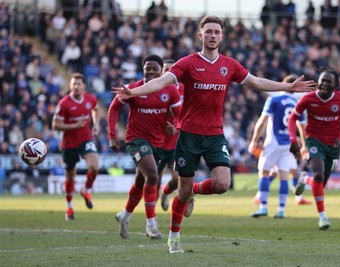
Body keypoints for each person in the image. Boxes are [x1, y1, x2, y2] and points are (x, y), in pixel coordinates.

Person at [112, 15, 315, 253]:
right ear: (200, 35)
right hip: (188, 135)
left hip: (215, 135)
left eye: (217, 32)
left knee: (222, 184)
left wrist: (287, 86)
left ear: (222, 36)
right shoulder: (187, 63)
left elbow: (256, 82)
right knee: (182, 190)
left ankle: (193, 192)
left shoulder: (229, 65)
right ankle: (174, 237)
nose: (212, 36)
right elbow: (161, 82)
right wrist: (134, 93)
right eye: (208, 32)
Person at [108, 55, 182, 240]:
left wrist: (176, 128)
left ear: (161, 71)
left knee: (141, 183)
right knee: (153, 176)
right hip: (136, 140)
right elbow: (113, 108)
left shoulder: (170, 91)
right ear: (143, 70)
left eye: (154, 68)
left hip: (157, 143)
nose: (150, 71)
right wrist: (112, 135)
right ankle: (151, 224)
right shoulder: (133, 89)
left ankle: (124, 216)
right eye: (147, 68)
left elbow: (180, 116)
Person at [288, 69, 340, 230]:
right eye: (322, 80)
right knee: (318, 174)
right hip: (314, 142)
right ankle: (322, 216)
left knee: (320, 183)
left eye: (328, 81)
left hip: (333, 146)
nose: (324, 83)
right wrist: (293, 139)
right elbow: (292, 118)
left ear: (335, 85)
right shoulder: (308, 99)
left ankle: (305, 179)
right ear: (318, 82)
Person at [249, 74, 311, 220]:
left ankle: (263, 206)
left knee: (264, 172)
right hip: (289, 144)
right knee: (284, 175)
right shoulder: (297, 104)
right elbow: (302, 128)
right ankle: (281, 209)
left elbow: (263, 121)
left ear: (284, 84)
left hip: (273, 141)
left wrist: (254, 140)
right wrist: (304, 146)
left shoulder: (273, 100)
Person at [52, 72, 100, 221]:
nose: (76, 86)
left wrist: (96, 125)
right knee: (70, 177)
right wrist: (74, 125)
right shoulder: (64, 103)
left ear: (84, 86)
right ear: (70, 86)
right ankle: (69, 207)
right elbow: (55, 125)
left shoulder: (90, 99)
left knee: (95, 167)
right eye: (74, 84)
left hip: (85, 138)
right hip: (69, 143)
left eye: (79, 84)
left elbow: (96, 109)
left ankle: (86, 190)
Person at [158, 59, 185, 212]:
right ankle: (150, 219)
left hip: (176, 141)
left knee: (176, 179)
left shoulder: (184, 89)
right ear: (162, 72)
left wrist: (177, 128)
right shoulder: (156, 89)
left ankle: (165, 192)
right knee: (154, 179)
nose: (169, 72)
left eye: (171, 69)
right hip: (158, 140)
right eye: (166, 69)